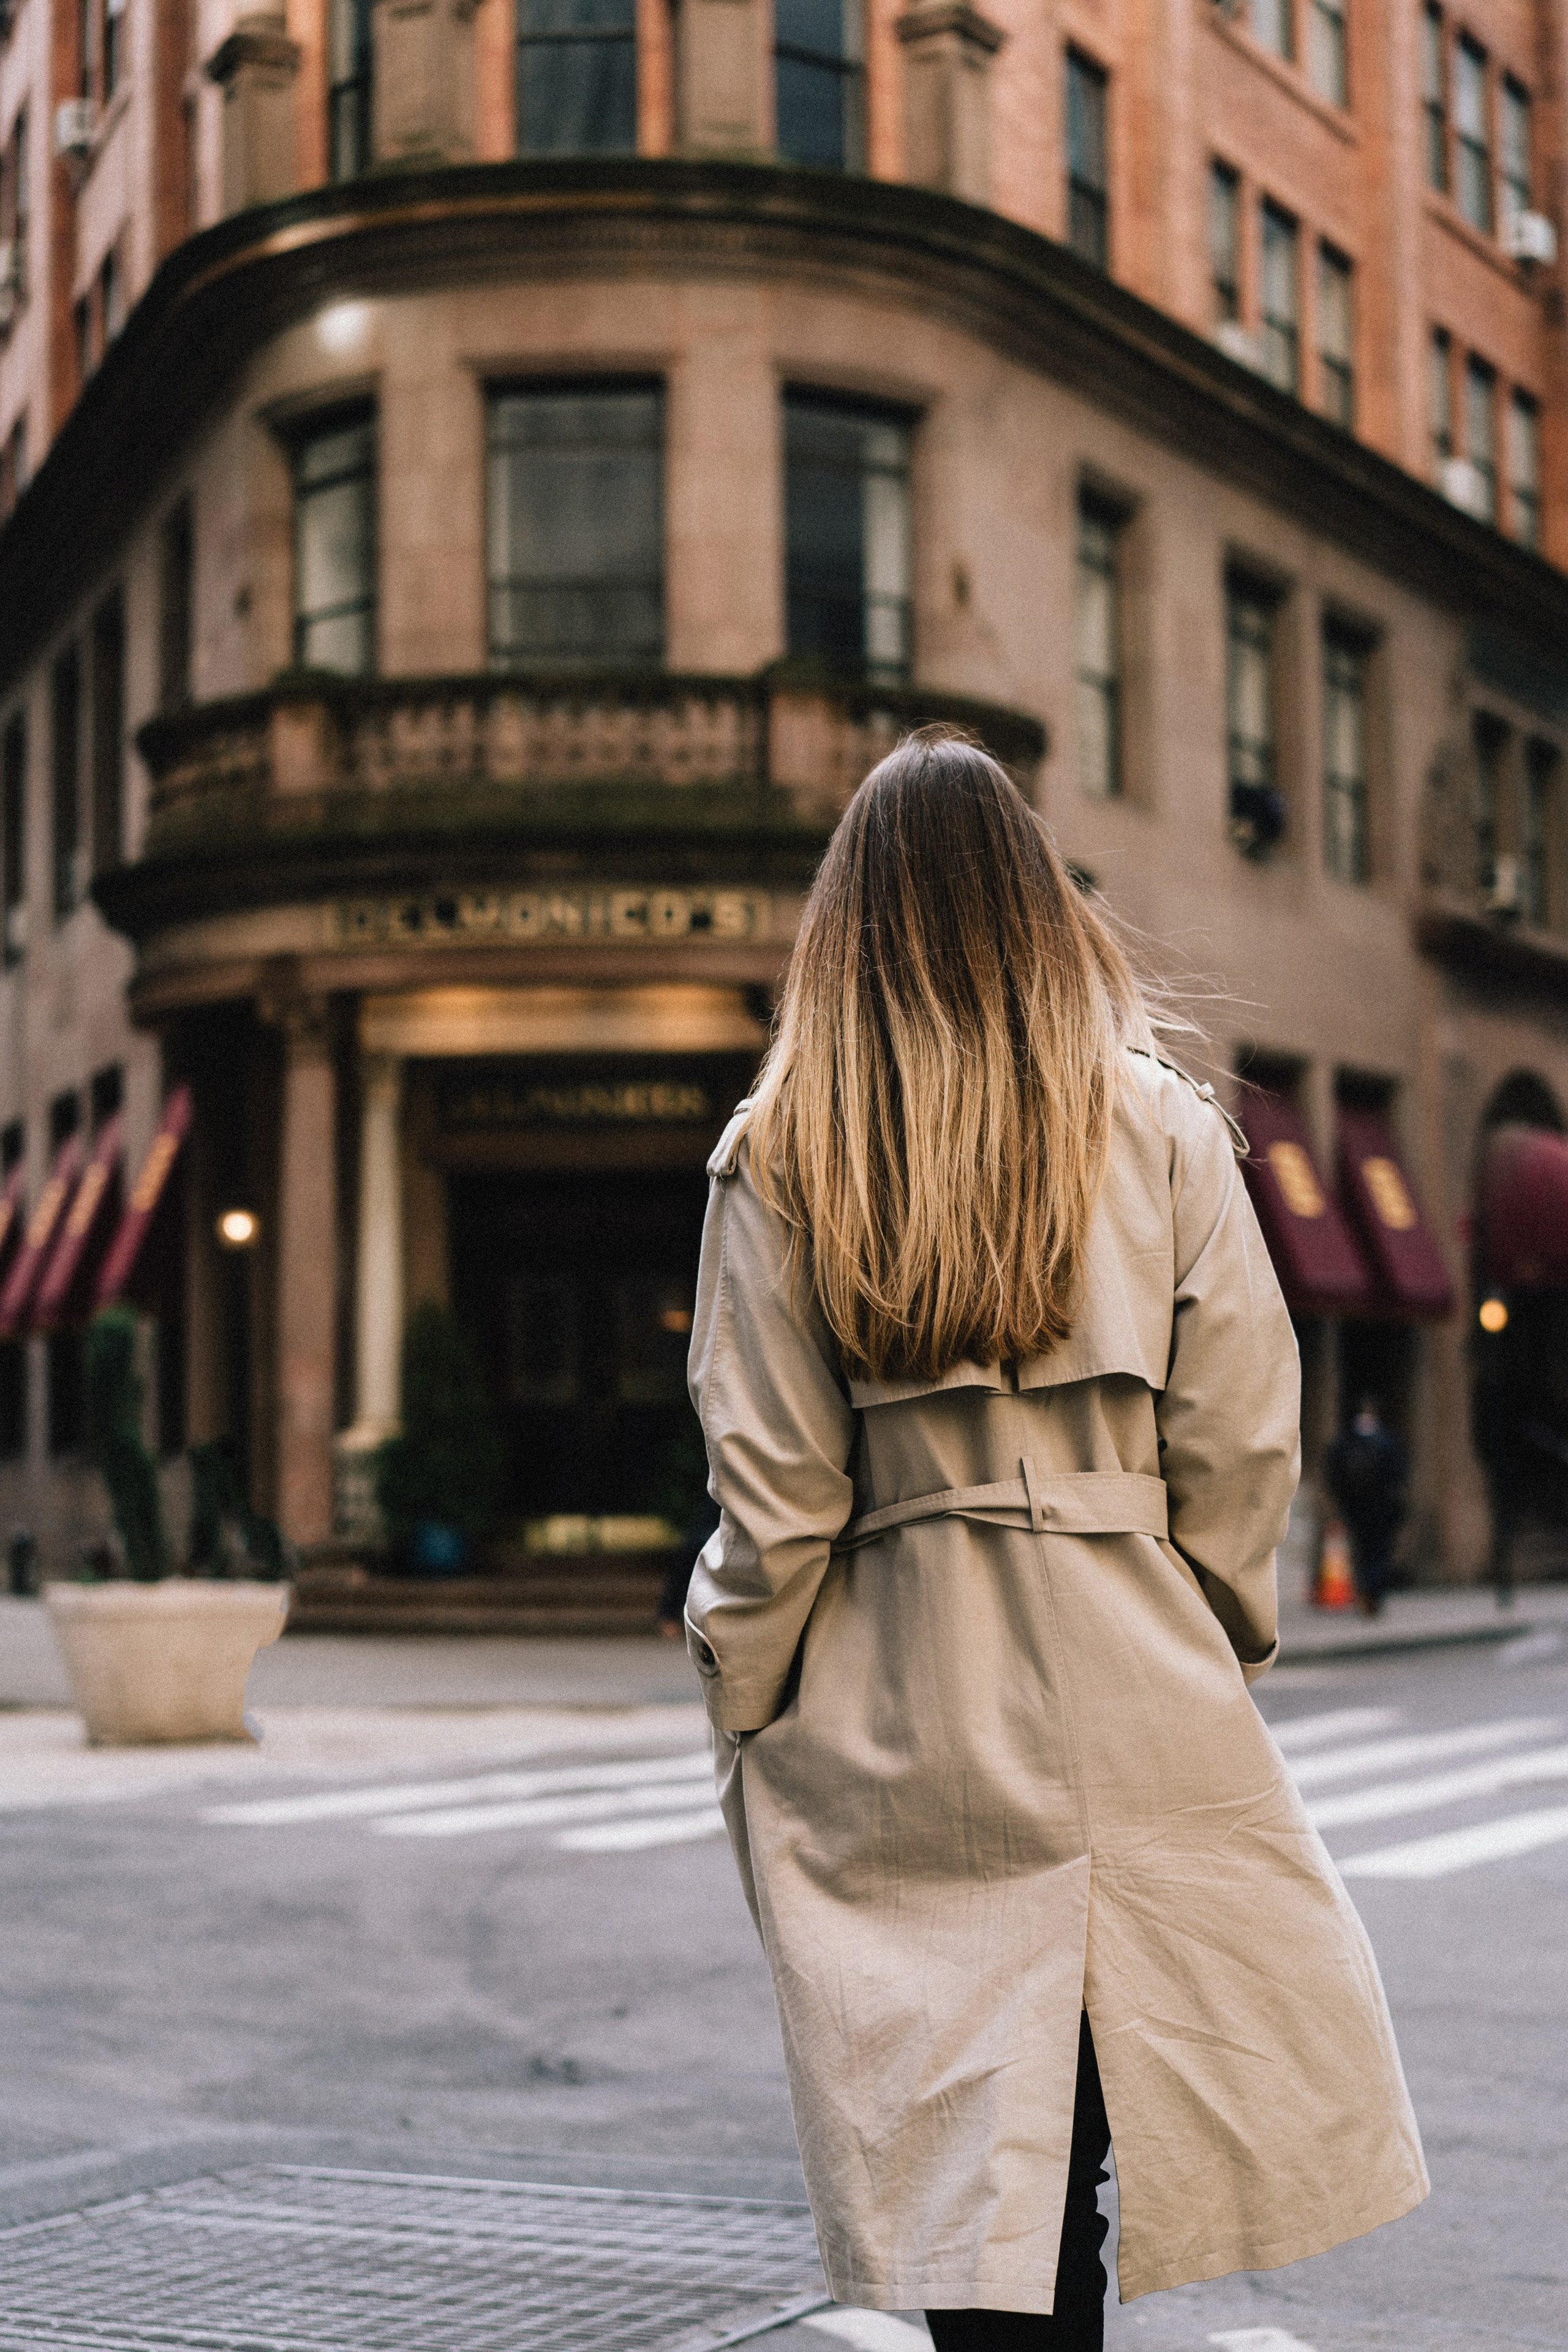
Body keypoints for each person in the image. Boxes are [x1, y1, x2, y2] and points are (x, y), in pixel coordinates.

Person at [684, 733, 1427, 2349]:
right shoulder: (1163, 1127)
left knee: (966, 2188)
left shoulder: (780, 1152)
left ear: (844, 931)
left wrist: (741, 1683)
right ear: (1040, 910)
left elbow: (778, 1497)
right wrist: (1207, 1631)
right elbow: (1241, 1439)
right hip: (1129, 1688)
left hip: (898, 1721)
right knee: (1092, 2142)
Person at [1324, 1397, 1409, 1618]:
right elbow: (1399, 1474)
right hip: (1381, 1508)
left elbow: (1333, 1473)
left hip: (1354, 1507)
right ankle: (1371, 1593)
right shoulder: (1387, 1441)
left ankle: (1363, 1589)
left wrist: (1341, 1499)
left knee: (1361, 1550)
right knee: (1379, 1551)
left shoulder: (1345, 1441)